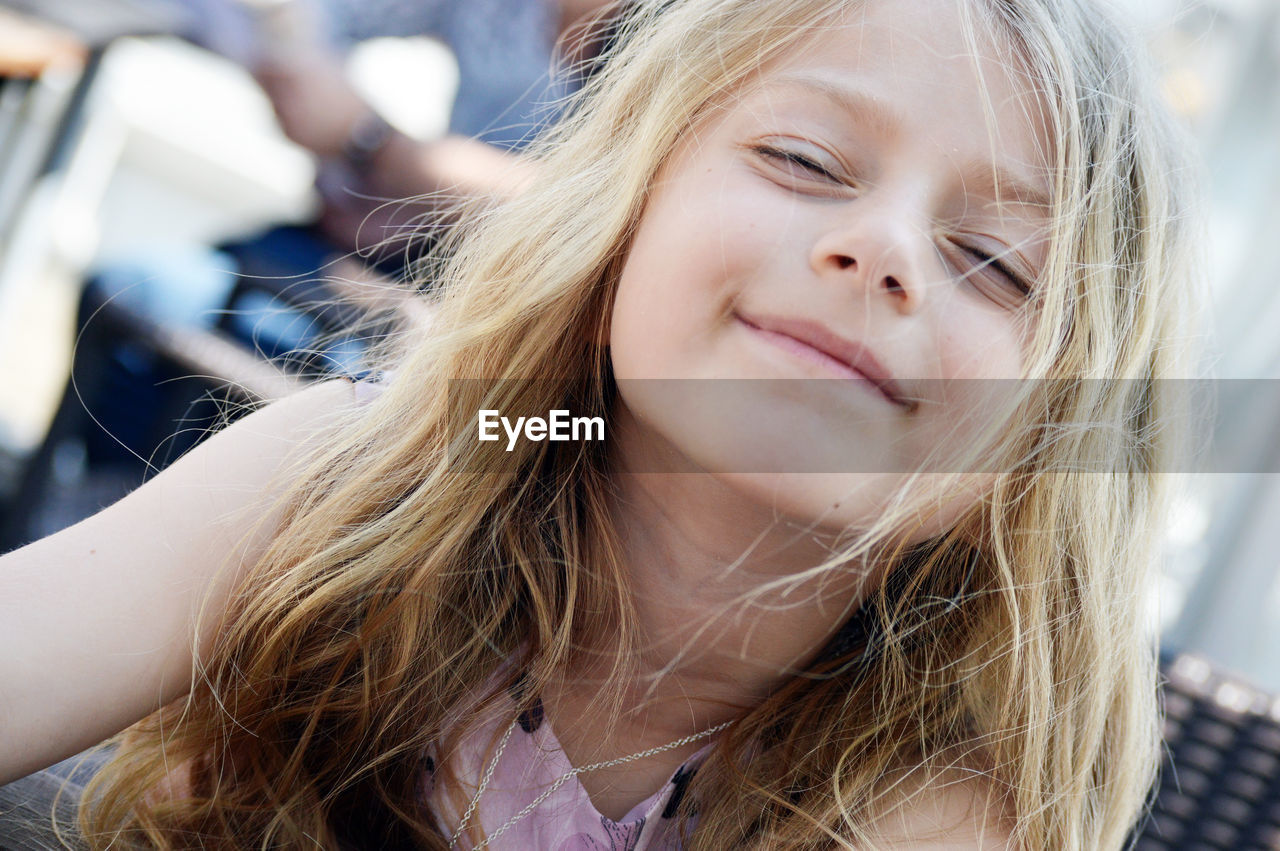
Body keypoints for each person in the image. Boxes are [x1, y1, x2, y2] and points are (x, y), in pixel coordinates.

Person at [0, 0, 1203, 847]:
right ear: (620, 214)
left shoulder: (937, 797)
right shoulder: (333, 485)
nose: (882, 249)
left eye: (993, 263)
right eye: (800, 157)